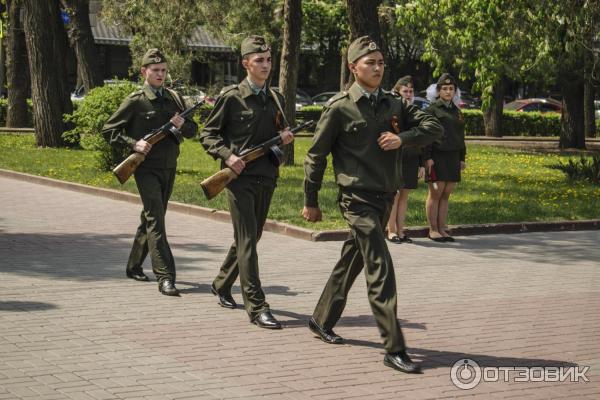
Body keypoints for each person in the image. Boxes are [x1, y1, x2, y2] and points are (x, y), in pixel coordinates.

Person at [302, 36, 442, 373]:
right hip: (356, 199)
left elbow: (433, 127)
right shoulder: (339, 107)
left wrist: (402, 139)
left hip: (385, 198)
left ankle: (320, 320)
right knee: (380, 265)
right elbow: (315, 157)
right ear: (353, 68)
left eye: (381, 63)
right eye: (370, 63)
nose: (378, 68)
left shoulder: (394, 104)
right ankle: (394, 346)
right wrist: (311, 201)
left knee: (353, 259)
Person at [200, 35, 294, 330]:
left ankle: (221, 283)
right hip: (238, 179)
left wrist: (286, 137)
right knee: (247, 242)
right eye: (259, 60)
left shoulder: (275, 97)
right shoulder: (232, 97)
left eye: (268, 60)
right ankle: (256, 306)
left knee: (251, 237)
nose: (266, 65)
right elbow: (208, 134)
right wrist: (228, 156)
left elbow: (280, 129)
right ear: (245, 63)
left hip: (267, 176)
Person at [102, 49, 198, 295]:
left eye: (164, 70)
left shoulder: (174, 98)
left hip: (169, 166)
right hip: (145, 168)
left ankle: (134, 265)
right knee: (157, 219)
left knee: (151, 217)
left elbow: (192, 131)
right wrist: (133, 143)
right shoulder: (136, 100)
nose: (160, 74)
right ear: (144, 71)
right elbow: (109, 130)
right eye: (155, 70)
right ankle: (165, 276)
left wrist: (183, 124)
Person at [423, 73, 467, 242]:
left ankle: (442, 228)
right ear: (438, 91)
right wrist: (427, 157)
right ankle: (433, 229)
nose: (448, 92)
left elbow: (460, 137)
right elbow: (426, 136)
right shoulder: (432, 110)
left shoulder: (457, 111)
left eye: (451, 89)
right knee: (435, 193)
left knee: (446, 194)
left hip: (453, 157)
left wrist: (462, 158)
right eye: (445, 89)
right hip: (437, 156)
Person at [386, 75, 425, 244]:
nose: (408, 94)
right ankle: (391, 231)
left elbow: (423, 139)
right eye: (405, 91)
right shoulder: (392, 110)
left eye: (411, 91)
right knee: (394, 195)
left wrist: (422, 163)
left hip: (411, 157)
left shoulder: (416, 112)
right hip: (395, 158)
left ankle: (401, 231)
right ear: (397, 92)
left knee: (404, 196)